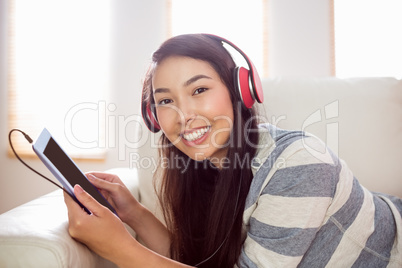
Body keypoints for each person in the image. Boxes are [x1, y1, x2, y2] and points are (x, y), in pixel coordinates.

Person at [64, 34, 402, 268]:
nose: (183, 116)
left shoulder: (299, 164)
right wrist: (134, 213)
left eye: (199, 89)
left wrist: (119, 248)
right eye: (165, 100)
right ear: (153, 116)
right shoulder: (205, 168)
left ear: (240, 91)